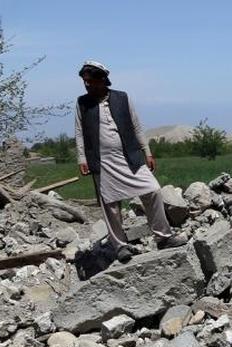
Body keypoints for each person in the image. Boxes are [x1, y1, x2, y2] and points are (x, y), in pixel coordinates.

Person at [74, 60, 185, 263]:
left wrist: (147, 152)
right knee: (110, 205)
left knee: (152, 190)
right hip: (102, 161)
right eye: (84, 82)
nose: (87, 86)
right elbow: (80, 132)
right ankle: (120, 246)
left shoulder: (122, 98)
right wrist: (82, 157)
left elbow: (136, 126)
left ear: (102, 80)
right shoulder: (82, 103)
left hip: (129, 157)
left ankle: (163, 237)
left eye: (90, 82)